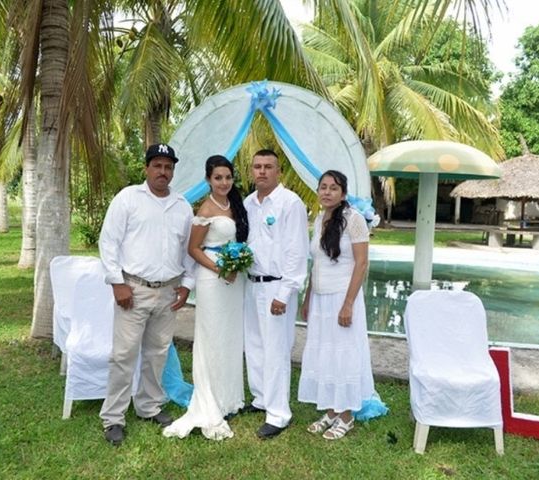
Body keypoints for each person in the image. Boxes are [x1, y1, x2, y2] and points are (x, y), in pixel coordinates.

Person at [98, 143, 195, 446]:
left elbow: (189, 250)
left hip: (168, 292)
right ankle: (113, 417)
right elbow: (109, 241)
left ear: (173, 170)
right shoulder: (128, 198)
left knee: (157, 354)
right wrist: (117, 282)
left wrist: (187, 285)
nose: (163, 172)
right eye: (157, 166)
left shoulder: (182, 206)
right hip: (134, 289)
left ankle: (149, 406)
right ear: (147, 168)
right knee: (124, 355)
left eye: (168, 167)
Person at [163, 155, 249, 440]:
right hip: (213, 279)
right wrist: (220, 269)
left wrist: (235, 266)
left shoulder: (235, 205)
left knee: (230, 337)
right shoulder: (205, 208)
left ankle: (229, 398)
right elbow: (193, 248)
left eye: (228, 177)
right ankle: (210, 401)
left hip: (234, 282)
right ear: (208, 180)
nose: (224, 182)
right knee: (212, 338)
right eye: (218, 178)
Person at [298, 170, 386, 440]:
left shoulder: (354, 220)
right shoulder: (320, 218)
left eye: (333, 188)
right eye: (322, 187)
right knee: (324, 353)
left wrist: (347, 304)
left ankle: (346, 416)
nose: (326, 192)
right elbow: (318, 263)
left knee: (343, 353)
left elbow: (361, 263)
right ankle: (332, 410)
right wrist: (308, 295)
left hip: (342, 297)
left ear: (343, 193)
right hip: (321, 299)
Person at [242, 149, 309, 439]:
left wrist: (284, 292)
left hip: (277, 286)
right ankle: (261, 399)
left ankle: (279, 413)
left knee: (276, 349)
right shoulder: (248, 203)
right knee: (255, 344)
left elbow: (297, 251)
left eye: (268, 166)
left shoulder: (289, 203)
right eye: (257, 166)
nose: (262, 171)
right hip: (251, 283)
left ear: (278, 171)